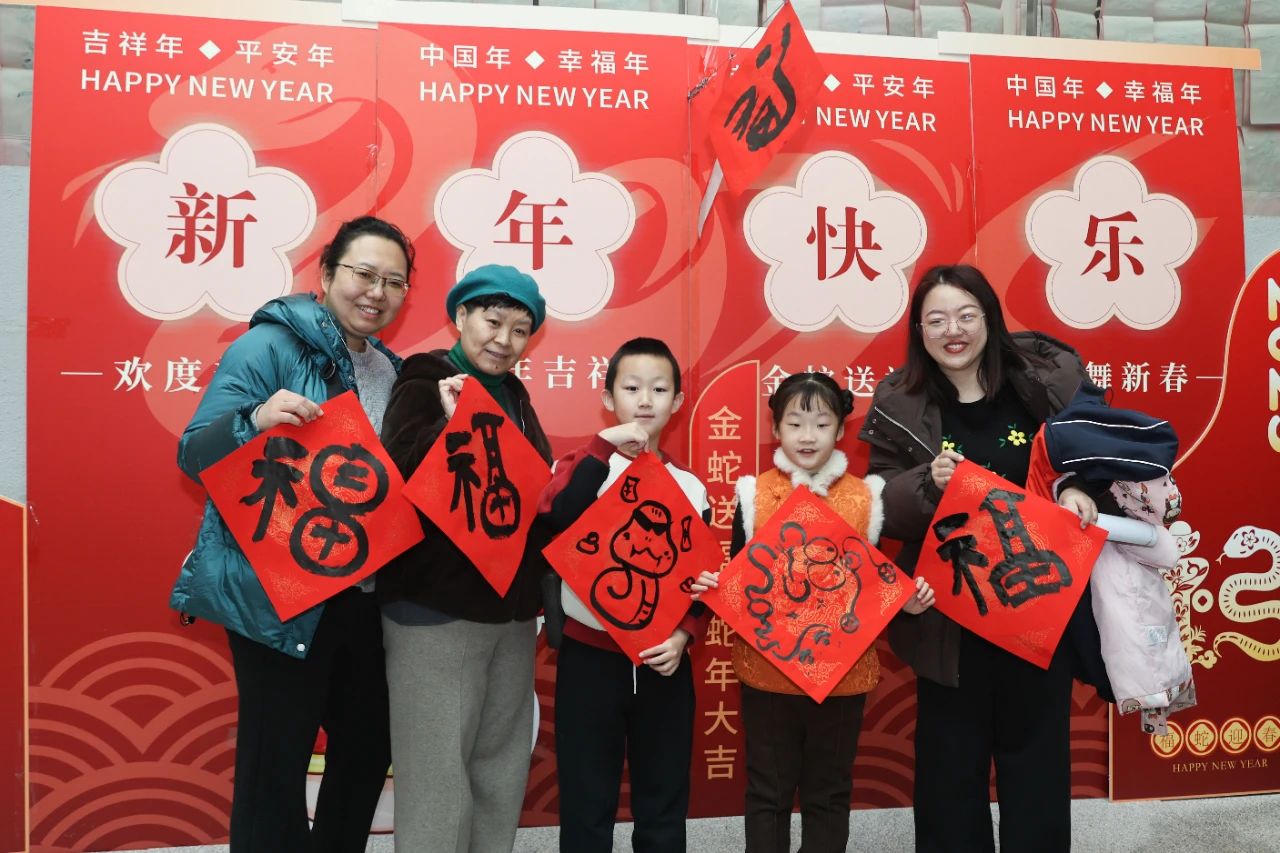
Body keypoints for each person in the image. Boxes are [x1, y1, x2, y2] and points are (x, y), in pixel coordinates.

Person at [171, 216, 414, 851]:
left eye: (394, 281)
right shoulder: (267, 347)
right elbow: (193, 452)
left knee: (367, 750)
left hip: (366, 600)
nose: (377, 292)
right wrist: (255, 419)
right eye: (364, 273)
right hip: (280, 593)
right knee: (274, 768)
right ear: (328, 274)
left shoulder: (394, 371)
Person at [857, 264, 1099, 853]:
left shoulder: (1042, 385)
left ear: (990, 318)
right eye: (937, 319)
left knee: (1037, 769)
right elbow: (879, 506)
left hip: (1037, 605)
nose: (953, 331)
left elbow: (1091, 459)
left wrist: (1076, 487)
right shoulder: (900, 401)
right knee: (950, 776)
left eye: (967, 315)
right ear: (919, 330)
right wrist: (927, 482)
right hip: (950, 616)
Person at [693, 372, 934, 853]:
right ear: (775, 429)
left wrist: (906, 602)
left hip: (844, 676)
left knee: (829, 793)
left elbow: (873, 587)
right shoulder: (752, 493)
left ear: (841, 429)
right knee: (768, 793)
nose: (808, 436)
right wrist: (716, 586)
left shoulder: (868, 497)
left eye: (822, 424)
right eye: (795, 423)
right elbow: (740, 577)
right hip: (767, 674)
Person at [377, 264, 553, 852]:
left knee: (499, 770)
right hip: (436, 612)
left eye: (520, 330)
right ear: (461, 317)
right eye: (492, 321)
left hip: (511, 614)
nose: (504, 340)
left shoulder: (517, 396)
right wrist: (450, 427)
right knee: (437, 780)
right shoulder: (426, 378)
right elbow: (395, 475)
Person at [536, 337, 711, 852]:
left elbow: (702, 580)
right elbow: (555, 523)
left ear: (677, 402)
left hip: (664, 664)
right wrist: (601, 448)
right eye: (631, 388)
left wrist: (683, 636)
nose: (645, 400)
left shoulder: (689, 486)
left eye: (659, 389)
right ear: (608, 397)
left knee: (663, 803)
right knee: (586, 804)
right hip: (589, 661)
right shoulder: (580, 466)